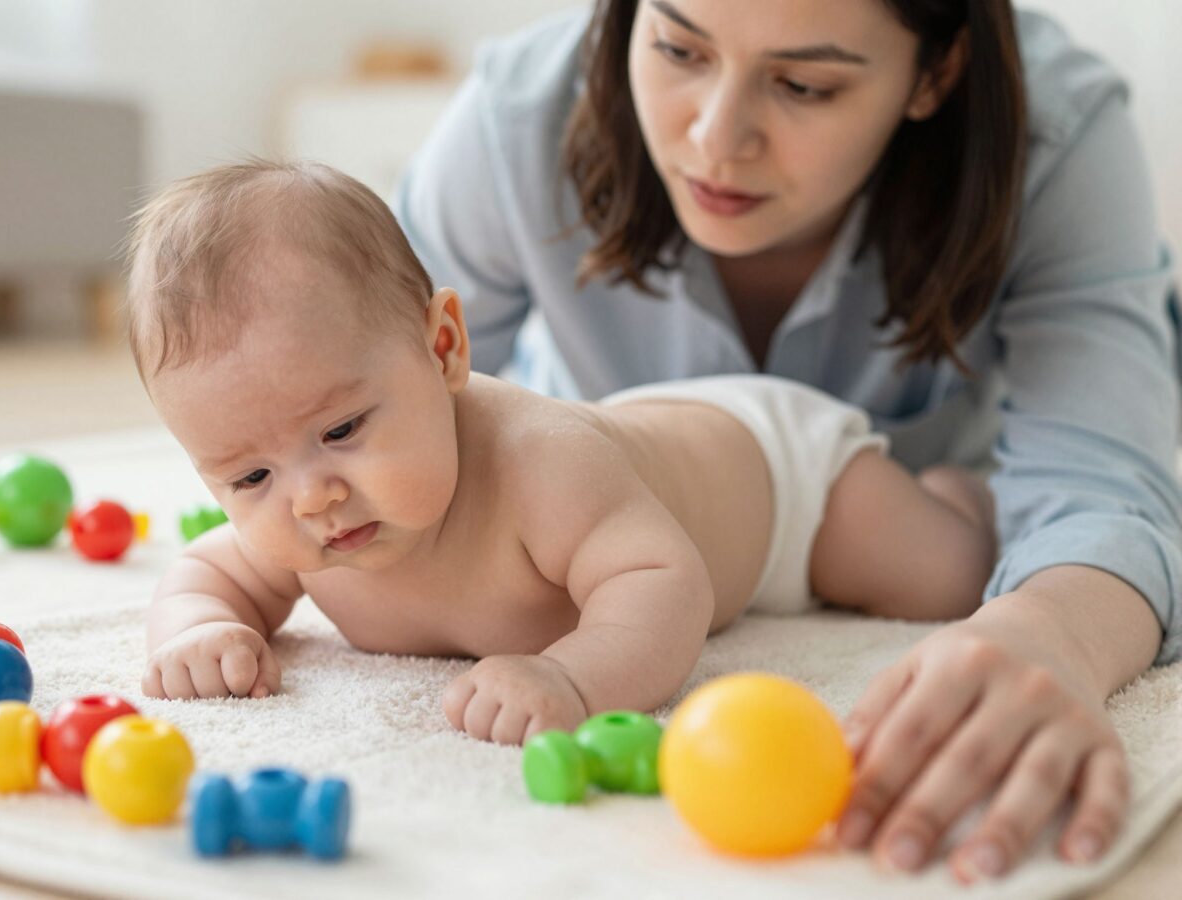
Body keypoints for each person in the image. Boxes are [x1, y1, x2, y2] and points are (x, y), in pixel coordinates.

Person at [393, 0, 1182, 885]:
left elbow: (1106, 486)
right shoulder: (517, 120)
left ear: (936, 72)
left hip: (914, 525)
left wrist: (1054, 633)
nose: (717, 138)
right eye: (677, 47)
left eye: (805, 84)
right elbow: (376, 379)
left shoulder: (1057, 134)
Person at [128, 158, 995, 759]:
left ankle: (955, 492)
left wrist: (572, 679)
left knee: (948, 575)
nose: (311, 498)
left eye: (343, 430)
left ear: (443, 349)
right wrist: (198, 630)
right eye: (250, 478)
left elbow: (667, 582)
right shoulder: (302, 525)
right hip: (650, 450)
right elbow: (209, 574)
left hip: (779, 480)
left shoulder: (540, 467)